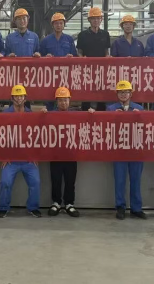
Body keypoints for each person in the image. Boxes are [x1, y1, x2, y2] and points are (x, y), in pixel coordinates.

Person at [43, 87, 94, 218]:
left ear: (69, 100)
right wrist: (43, 114)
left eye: (65, 100)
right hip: (55, 154)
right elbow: (41, 125)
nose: (63, 103)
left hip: (71, 153)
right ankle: (56, 203)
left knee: (70, 180)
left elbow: (87, 123)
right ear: (56, 101)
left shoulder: (76, 114)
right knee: (56, 179)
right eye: (60, 100)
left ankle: (69, 204)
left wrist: (91, 113)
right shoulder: (51, 114)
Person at [0, 85, 41, 218]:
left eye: (21, 96)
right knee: (5, 182)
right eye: (16, 96)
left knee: (35, 182)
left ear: (25, 98)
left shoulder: (31, 115)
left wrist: (35, 156)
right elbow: (0, 136)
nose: (19, 98)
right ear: (12, 98)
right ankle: (3, 207)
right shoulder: (5, 115)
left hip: (28, 159)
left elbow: (36, 136)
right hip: (11, 159)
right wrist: (4, 157)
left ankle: (33, 207)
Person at [107, 80, 145, 220]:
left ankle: (136, 208)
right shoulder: (110, 109)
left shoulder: (139, 108)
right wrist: (113, 117)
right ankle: (120, 207)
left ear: (131, 93)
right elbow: (105, 127)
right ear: (117, 94)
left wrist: (139, 117)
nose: (123, 95)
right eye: (120, 92)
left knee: (136, 179)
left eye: (126, 92)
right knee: (120, 179)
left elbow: (147, 127)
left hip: (136, 149)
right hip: (119, 149)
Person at [40, 12, 77, 110]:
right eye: (56, 23)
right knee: (49, 98)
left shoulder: (69, 40)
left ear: (64, 25)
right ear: (52, 25)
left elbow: (75, 56)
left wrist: (71, 57)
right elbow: (39, 57)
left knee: (63, 98)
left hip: (65, 75)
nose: (59, 25)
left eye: (61, 23)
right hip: (50, 76)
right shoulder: (46, 40)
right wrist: (45, 57)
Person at [77, 7, 110, 111]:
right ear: (89, 20)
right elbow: (79, 52)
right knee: (87, 92)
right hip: (87, 70)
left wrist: (107, 58)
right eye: (93, 18)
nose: (96, 20)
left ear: (101, 20)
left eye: (98, 18)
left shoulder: (105, 34)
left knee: (101, 92)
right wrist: (82, 60)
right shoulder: (82, 35)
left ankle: (101, 114)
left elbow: (106, 51)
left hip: (101, 70)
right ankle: (85, 114)